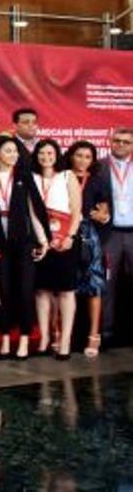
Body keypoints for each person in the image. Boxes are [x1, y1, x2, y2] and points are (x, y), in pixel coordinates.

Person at [0, 135, 50, 360]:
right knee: (3, 290)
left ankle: (24, 338)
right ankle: (5, 337)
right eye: (7, 151)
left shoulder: (24, 177)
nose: (13, 155)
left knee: (25, 291)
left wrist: (43, 240)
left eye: (15, 151)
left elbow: (35, 211)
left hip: (23, 241)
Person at [31, 139, 82, 359]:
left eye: (50, 153)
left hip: (66, 241)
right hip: (42, 242)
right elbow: (32, 212)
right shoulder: (31, 178)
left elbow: (77, 209)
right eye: (41, 153)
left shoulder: (67, 176)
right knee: (42, 290)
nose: (46, 157)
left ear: (57, 154)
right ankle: (44, 338)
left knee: (66, 291)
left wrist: (69, 236)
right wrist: (43, 241)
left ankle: (65, 341)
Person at [67, 140, 109, 358]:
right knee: (65, 287)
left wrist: (91, 214)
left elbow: (104, 215)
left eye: (87, 157)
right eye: (79, 155)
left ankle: (94, 335)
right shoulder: (62, 177)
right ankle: (63, 335)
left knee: (94, 285)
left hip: (90, 238)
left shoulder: (97, 181)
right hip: (65, 235)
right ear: (71, 156)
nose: (82, 160)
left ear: (92, 161)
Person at [100, 127, 133, 347]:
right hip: (109, 234)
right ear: (110, 142)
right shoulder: (99, 166)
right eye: (117, 141)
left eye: (126, 142)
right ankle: (106, 332)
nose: (121, 145)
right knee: (107, 284)